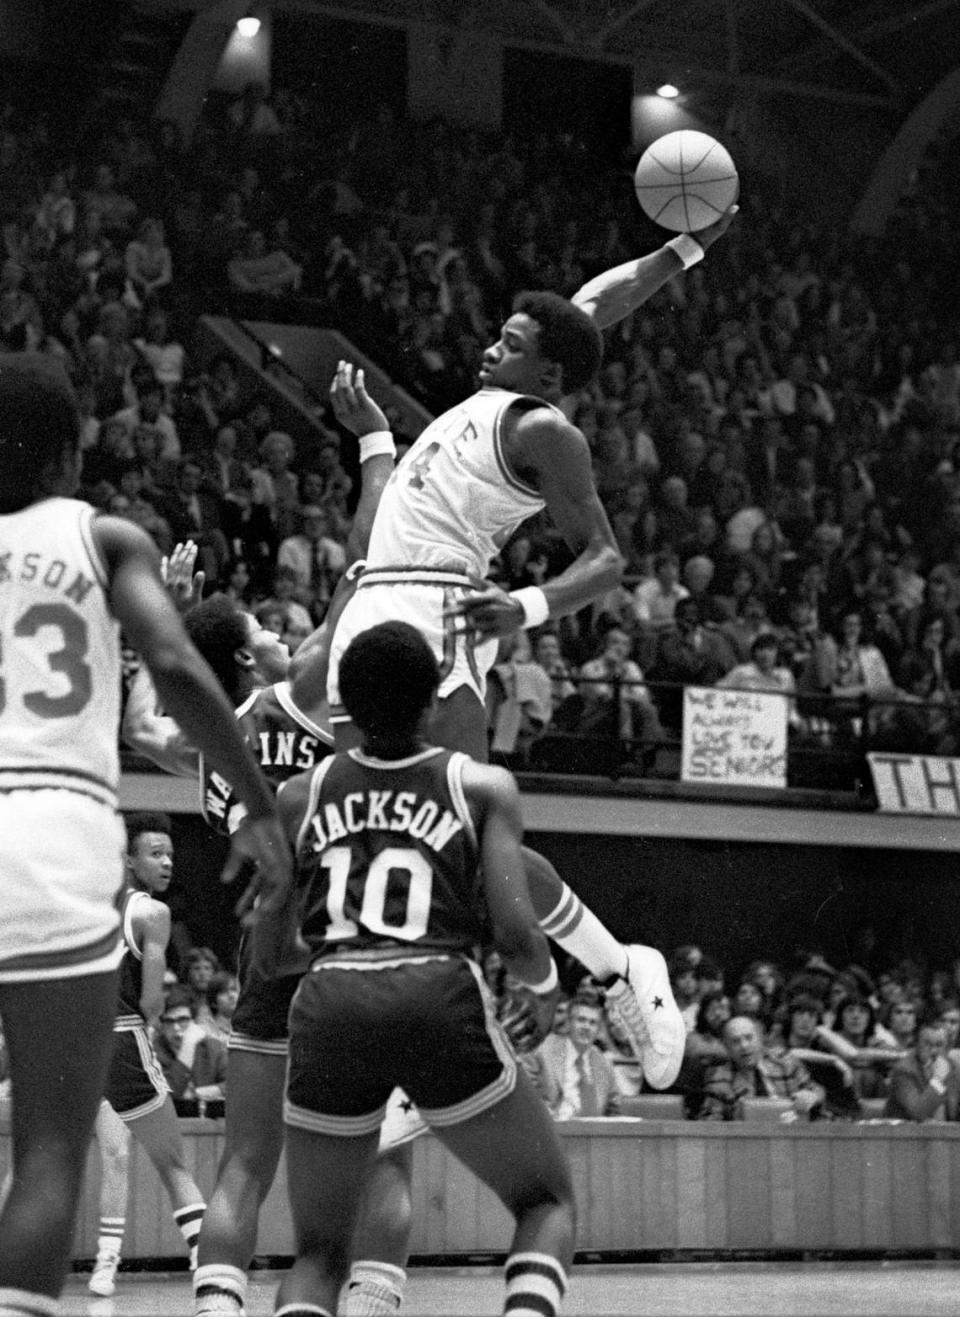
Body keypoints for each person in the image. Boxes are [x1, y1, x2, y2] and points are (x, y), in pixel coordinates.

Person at [324, 216, 736, 1090]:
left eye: (508, 342)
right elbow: (595, 301)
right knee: (371, 817)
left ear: (544, 373)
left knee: (463, 832)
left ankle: (619, 967)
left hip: (441, 609)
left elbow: (608, 557)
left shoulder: (544, 428)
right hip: (375, 597)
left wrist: (523, 604)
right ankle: (584, 970)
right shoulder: (509, 388)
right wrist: (687, 247)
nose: (488, 345)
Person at [0, 352, 289, 1314]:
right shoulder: (101, 534)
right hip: (53, 827)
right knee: (48, 1147)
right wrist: (253, 801)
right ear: (72, 450)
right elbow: (173, 661)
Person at [270, 620, 575, 1317]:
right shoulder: (482, 784)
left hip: (329, 997)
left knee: (318, 1253)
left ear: (344, 701)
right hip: (435, 988)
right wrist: (546, 987)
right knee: (545, 1200)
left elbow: (272, 953)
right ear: (435, 701)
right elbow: (518, 933)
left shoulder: (299, 796)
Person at [100, 814, 218, 1287]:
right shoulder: (151, 914)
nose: (168, 862)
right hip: (122, 1037)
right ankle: (209, 1261)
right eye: (155, 853)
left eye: (170, 853)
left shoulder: (82, 902)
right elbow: (152, 1000)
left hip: (67, 1039)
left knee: (41, 1164)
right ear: (128, 860)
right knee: (172, 1163)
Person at [699, 1015, 826, 1122]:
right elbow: (709, 1124)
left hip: (792, 1135)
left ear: (760, 1039)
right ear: (727, 1048)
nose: (744, 1046)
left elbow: (816, 1090)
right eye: (735, 1041)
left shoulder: (784, 1061)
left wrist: (812, 1096)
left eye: (749, 1038)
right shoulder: (718, 1079)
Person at [525, 991, 622, 1118]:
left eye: (593, 1023)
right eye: (581, 1020)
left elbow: (613, 1109)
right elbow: (527, 1092)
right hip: (555, 1128)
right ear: (569, 1022)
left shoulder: (603, 1063)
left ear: (598, 1029)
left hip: (593, 1132)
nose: (586, 1027)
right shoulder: (543, 1051)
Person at [884, 1021, 960, 1121]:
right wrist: (938, 1081)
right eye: (927, 1044)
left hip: (947, 1133)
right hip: (907, 1134)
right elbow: (918, 1115)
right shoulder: (903, 1070)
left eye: (939, 1045)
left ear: (948, 1048)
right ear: (916, 1045)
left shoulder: (952, 1066)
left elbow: (954, 1112)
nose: (933, 1051)